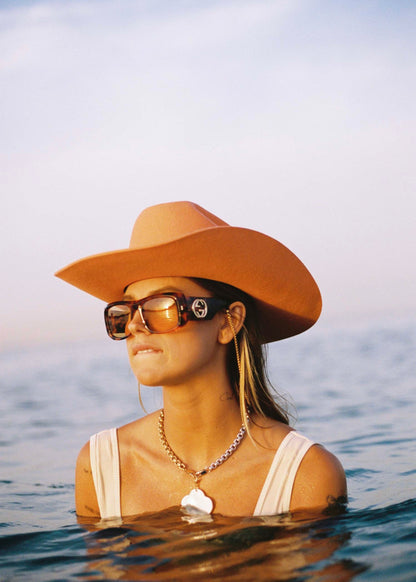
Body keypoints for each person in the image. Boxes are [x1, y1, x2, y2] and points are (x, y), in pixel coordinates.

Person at [55, 201, 347, 519]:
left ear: (228, 322)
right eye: (126, 311)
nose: (135, 325)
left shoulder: (307, 474)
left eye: (162, 305)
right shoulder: (101, 465)